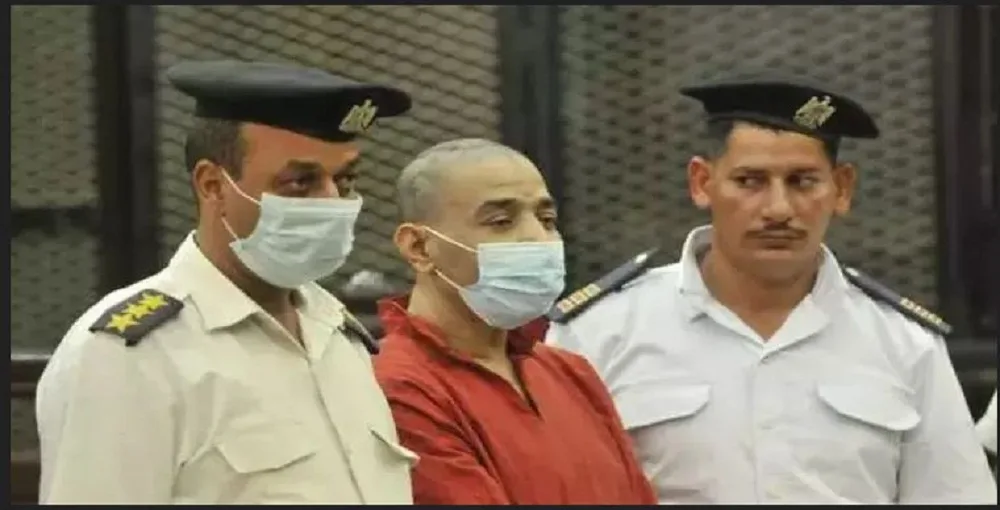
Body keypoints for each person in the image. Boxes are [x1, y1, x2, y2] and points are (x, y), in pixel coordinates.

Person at [546, 75, 998, 504]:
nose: (778, 209)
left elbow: (955, 495)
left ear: (842, 188)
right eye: (750, 181)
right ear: (702, 183)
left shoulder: (905, 344)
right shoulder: (599, 334)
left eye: (803, 181)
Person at [35, 60, 418, 504]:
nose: (332, 203)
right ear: (213, 184)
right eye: (300, 182)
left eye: (344, 181)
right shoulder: (131, 355)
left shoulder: (336, 330)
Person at [372, 138, 656, 505]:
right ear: (419, 248)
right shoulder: (397, 386)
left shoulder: (570, 373)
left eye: (547, 220)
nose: (537, 238)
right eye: (501, 222)